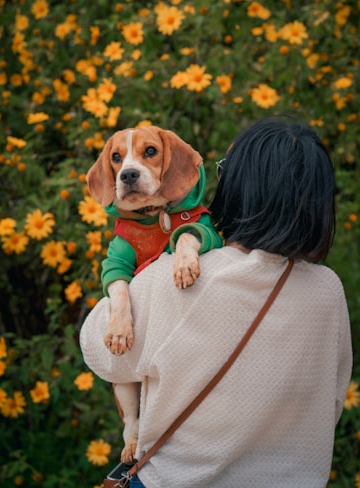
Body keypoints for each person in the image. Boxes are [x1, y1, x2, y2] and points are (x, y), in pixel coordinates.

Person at [80, 117, 352, 488]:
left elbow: (98, 349)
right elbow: (331, 406)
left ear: (242, 187)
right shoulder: (329, 291)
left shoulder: (180, 276)